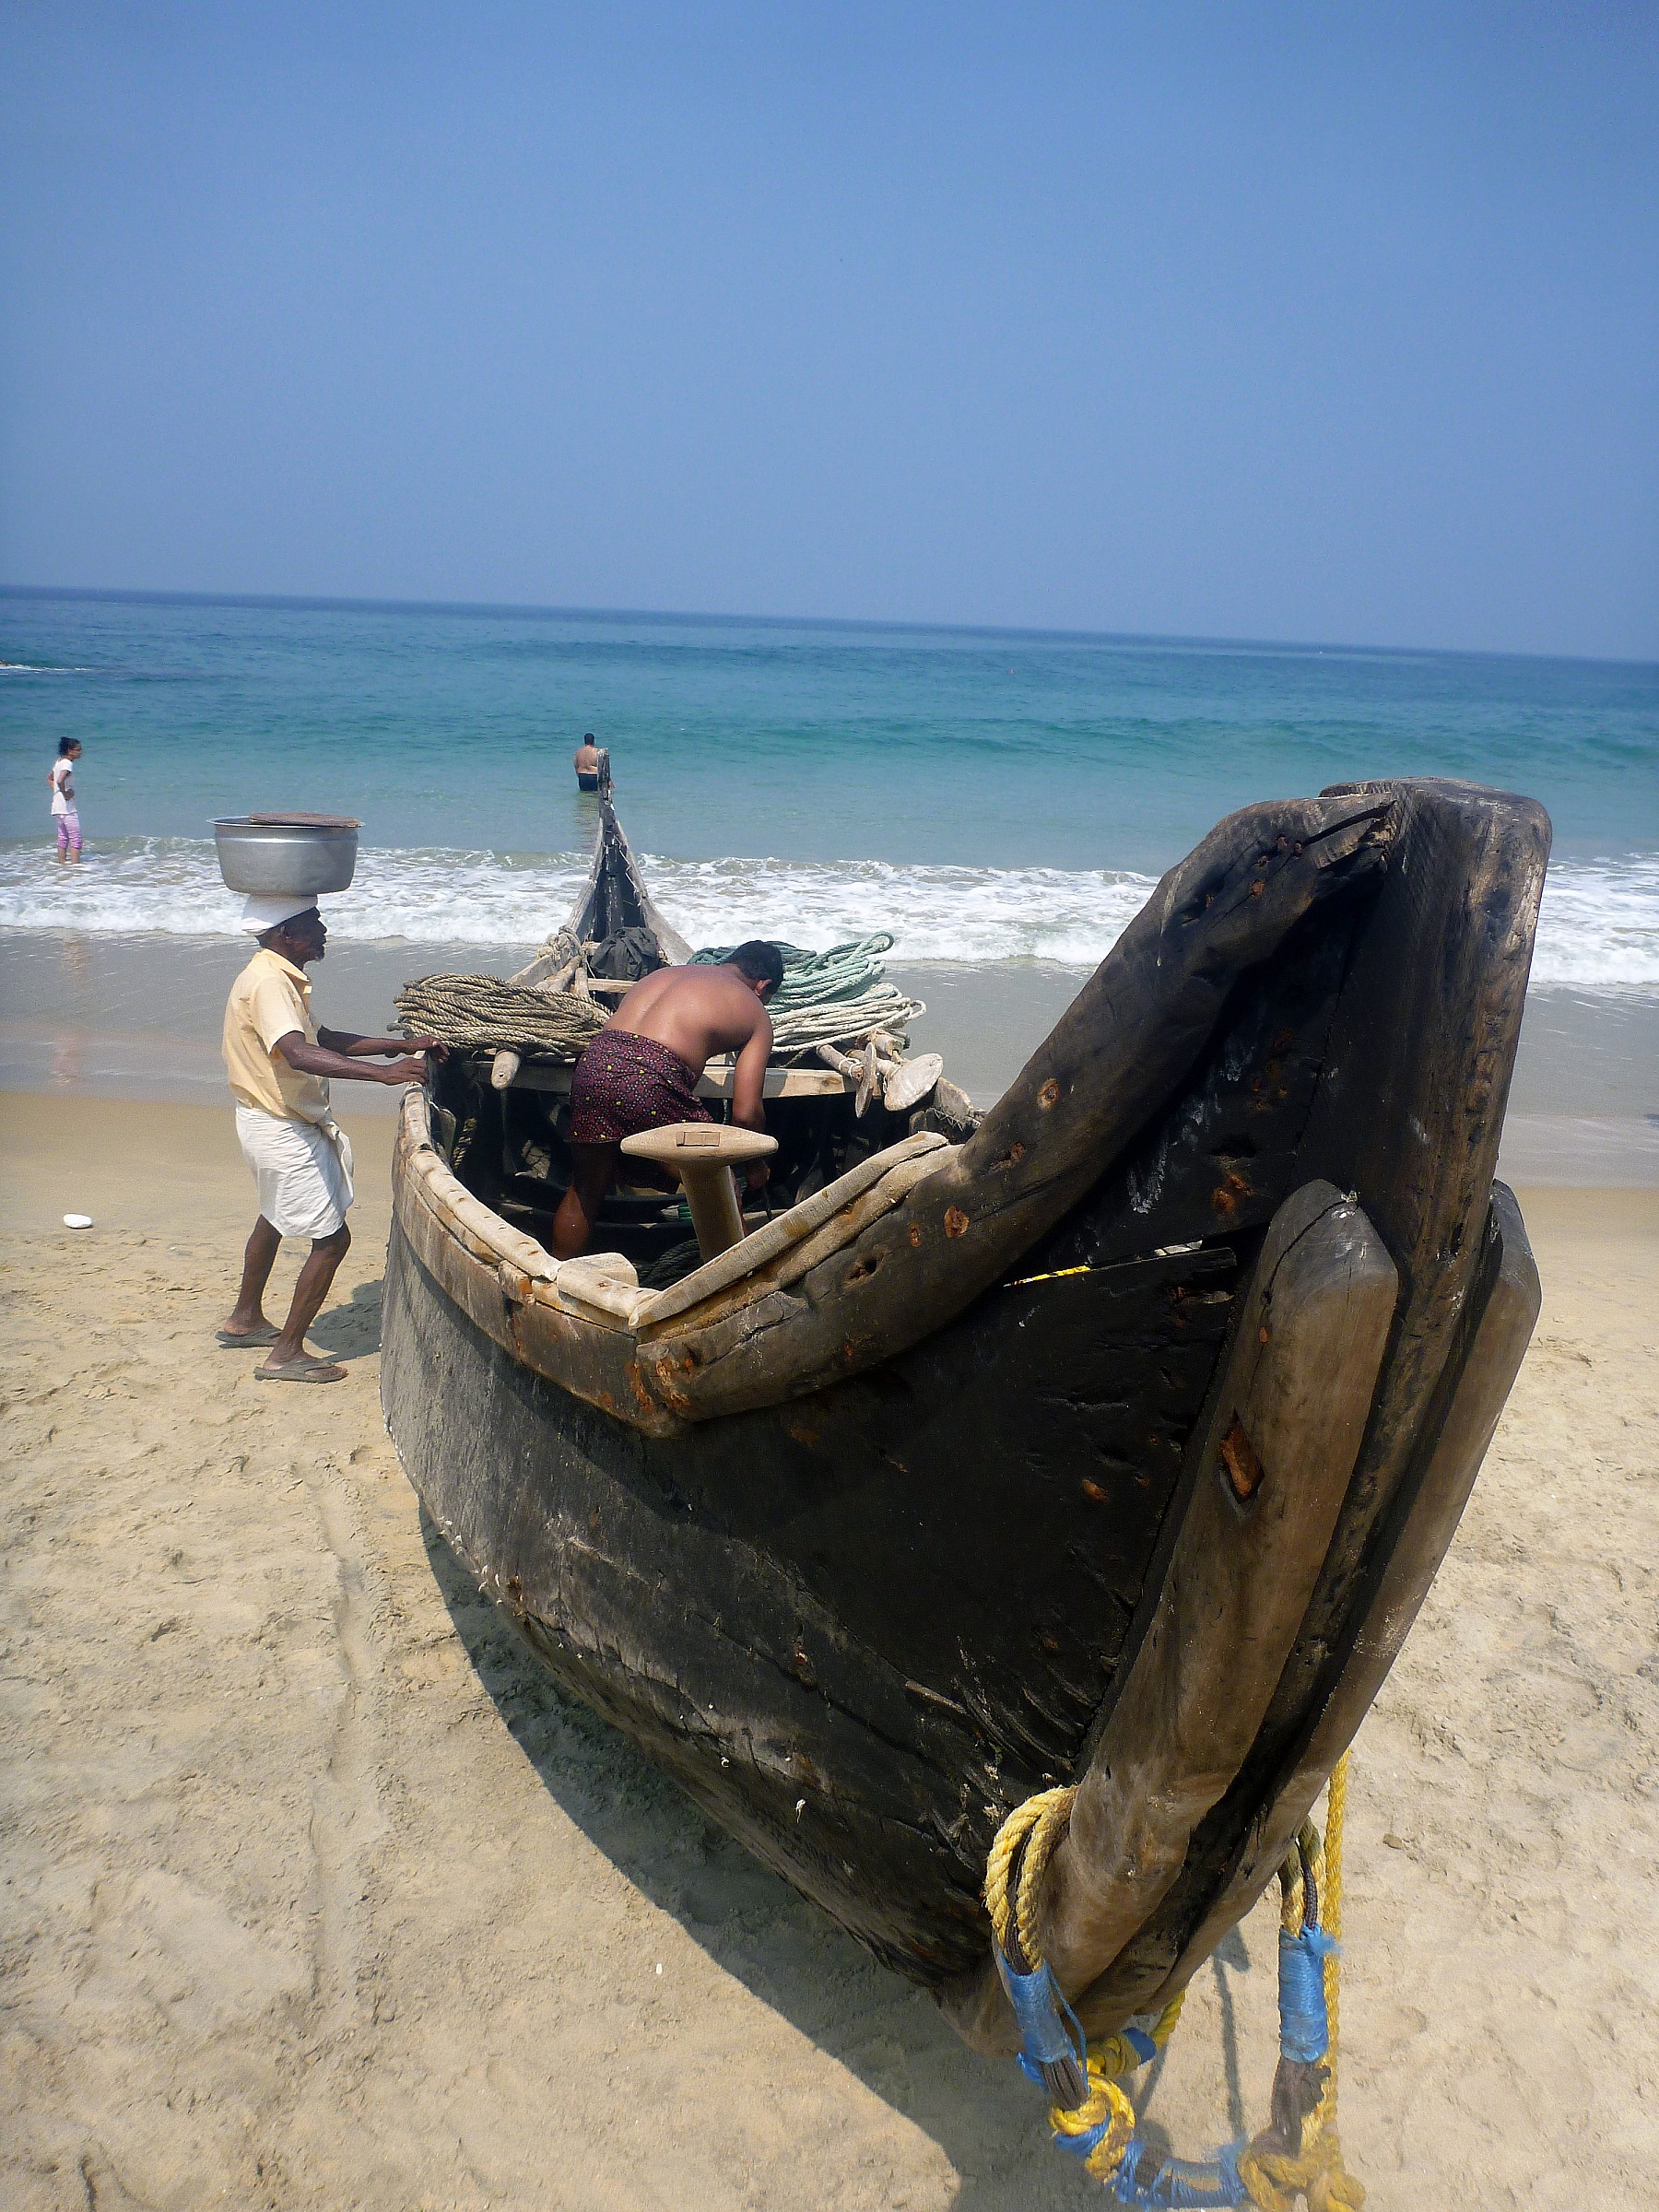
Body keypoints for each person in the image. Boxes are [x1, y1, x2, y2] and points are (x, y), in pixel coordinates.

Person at [218, 893, 445, 1382]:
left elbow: (326, 1040)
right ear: (286, 935)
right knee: (332, 1240)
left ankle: (244, 1320)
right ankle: (285, 1355)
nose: (323, 932)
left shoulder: (277, 977)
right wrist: (382, 1076)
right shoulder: (269, 984)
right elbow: (297, 1054)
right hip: (280, 1124)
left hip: (266, 1117)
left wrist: (401, 1046)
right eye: (314, 924)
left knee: (273, 1215)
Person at [553, 940, 784, 1259]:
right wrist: (755, 1166)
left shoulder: (664, 975)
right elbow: (745, 1114)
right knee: (719, 1186)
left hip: (595, 1062)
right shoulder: (755, 1011)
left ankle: (554, 1277)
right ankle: (740, 1288)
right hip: (652, 1075)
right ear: (763, 985)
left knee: (586, 1189)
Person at [49, 738, 83, 864]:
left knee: (63, 838)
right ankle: (76, 868)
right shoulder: (68, 763)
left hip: (57, 807)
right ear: (70, 751)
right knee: (76, 840)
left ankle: (62, 865)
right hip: (67, 808)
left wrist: (57, 792)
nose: (81, 752)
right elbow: (59, 780)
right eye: (78, 750)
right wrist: (66, 793)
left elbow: (50, 779)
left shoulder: (59, 762)